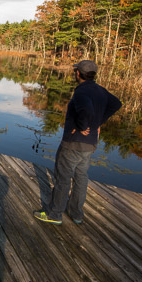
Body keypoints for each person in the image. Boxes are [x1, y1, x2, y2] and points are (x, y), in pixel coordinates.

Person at [35, 60, 122, 225]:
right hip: (90, 144)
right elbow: (116, 104)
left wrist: (83, 126)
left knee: (63, 178)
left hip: (73, 143)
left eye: (75, 71)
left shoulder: (81, 92)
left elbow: (86, 109)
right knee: (81, 176)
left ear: (78, 73)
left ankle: (54, 214)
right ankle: (76, 214)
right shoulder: (100, 90)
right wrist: (98, 123)